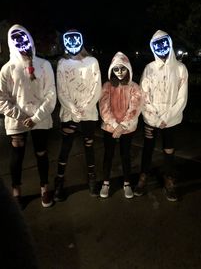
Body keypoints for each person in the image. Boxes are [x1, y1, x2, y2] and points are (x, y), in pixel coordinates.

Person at [0, 24, 57, 208]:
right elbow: (2, 98)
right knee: (17, 155)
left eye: (23, 36)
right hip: (18, 120)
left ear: (30, 38)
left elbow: (50, 94)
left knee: (42, 153)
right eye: (15, 38)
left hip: (39, 119)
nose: (21, 41)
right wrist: (19, 115)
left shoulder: (44, 65)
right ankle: (16, 192)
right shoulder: (6, 69)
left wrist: (36, 117)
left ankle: (44, 187)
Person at [134, 30, 188, 201]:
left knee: (169, 148)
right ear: (152, 47)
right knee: (148, 147)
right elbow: (143, 95)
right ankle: (144, 176)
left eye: (164, 44)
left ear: (169, 43)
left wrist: (166, 118)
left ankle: (169, 178)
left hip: (171, 120)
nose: (161, 48)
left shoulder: (180, 69)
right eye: (157, 45)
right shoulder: (149, 69)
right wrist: (155, 118)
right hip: (151, 118)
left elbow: (182, 97)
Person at [54, 29, 102, 201]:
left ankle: (92, 177)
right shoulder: (62, 63)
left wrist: (86, 106)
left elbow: (97, 87)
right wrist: (73, 108)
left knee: (89, 145)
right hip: (69, 113)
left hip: (88, 113)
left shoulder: (92, 62)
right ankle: (59, 180)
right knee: (65, 147)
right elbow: (61, 90)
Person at [99, 51, 142, 199]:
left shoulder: (134, 87)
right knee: (108, 155)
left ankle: (127, 183)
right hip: (109, 128)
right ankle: (105, 182)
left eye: (122, 68)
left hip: (127, 128)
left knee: (125, 155)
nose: (119, 72)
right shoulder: (107, 86)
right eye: (116, 69)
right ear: (112, 69)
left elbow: (135, 108)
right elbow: (104, 107)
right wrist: (113, 124)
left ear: (128, 69)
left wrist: (122, 125)